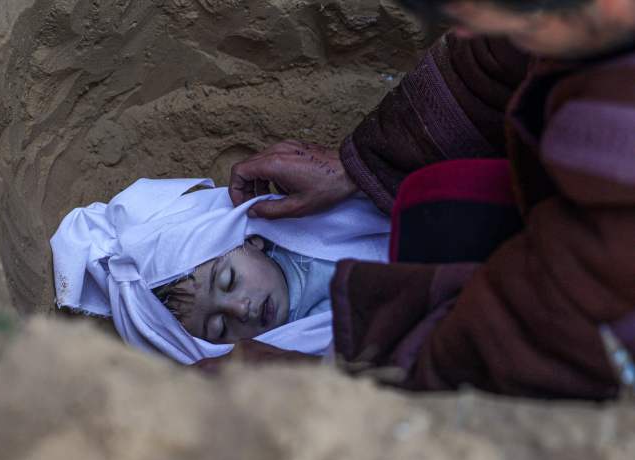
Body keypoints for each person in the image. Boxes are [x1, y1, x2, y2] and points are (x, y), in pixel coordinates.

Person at [228, 0, 635, 400]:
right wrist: (364, 162)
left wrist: (343, 379)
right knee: (439, 206)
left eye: (226, 280)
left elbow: (556, 327)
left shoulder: (616, 141)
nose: (460, 33)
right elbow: (492, 61)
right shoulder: (577, 23)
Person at [49, 178, 390, 365]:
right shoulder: (297, 354)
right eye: (218, 327)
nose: (241, 309)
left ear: (249, 241)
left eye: (228, 281)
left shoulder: (321, 215)